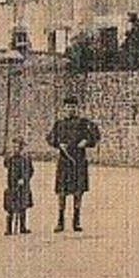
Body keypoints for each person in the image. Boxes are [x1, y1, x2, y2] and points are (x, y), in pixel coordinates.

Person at [47, 95, 101, 232]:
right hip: (65, 161)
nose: (71, 109)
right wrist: (58, 143)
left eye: (73, 107)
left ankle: (76, 221)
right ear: (64, 108)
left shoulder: (83, 123)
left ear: (77, 108)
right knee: (62, 192)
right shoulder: (59, 124)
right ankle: (60, 221)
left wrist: (86, 142)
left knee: (78, 191)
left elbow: (95, 135)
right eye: (68, 107)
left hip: (79, 161)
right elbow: (50, 137)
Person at [2, 137, 35, 236]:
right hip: (11, 185)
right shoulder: (10, 157)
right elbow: (6, 164)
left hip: (23, 186)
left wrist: (24, 179)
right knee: (10, 207)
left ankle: (23, 227)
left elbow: (30, 171)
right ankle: (8, 228)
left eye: (18, 146)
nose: (15, 148)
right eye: (14, 146)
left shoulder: (26, 158)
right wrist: (9, 157)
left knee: (22, 207)